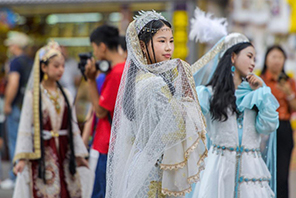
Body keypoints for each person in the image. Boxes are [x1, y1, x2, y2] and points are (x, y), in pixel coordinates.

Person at [105, 10, 207, 198]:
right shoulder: (154, 83)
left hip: (140, 164)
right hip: (154, 170)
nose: (169, 47)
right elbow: (176, 129)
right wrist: (187, 96)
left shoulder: (137, 80)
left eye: (171, 41)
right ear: (143, 46)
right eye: (162, 41)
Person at [188, 33, 279, 198]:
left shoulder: (256, 94)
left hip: (251, 170)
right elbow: (190, 125)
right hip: (219, 169)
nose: (253, 63)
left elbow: (268, 127)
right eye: (249, 56)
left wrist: (262, 94)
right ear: (233, 57)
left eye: (255, 59)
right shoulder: (208, 94)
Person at [12, 41, 91, 198]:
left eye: (62, 65)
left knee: (66, 188)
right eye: (56, 66)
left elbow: (73, 128)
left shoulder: (66, 94)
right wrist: (22, 158)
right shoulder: (33, 95)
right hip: (42, 150)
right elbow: (25, 127)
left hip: (64, 149)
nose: (61, 69)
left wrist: (79, 154)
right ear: (43, 67)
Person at [84, 25, 126, 198]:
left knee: (103, 192)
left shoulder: (117, 73)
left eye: (94, 48)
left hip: (110, 143)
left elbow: (101, 112)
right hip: (117, 141)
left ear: (102, 46)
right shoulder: (123, 68)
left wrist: (91, 80)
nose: (94, 54)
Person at [260, 45, 296, 198]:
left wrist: (289, 94)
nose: (276, 61)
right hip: (264, 129)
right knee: (263, 171)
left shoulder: (289, 82)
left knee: (282, 176)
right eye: (273, 57)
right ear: (266, 59)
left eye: (280, 57)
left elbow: (294, 108)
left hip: (283, 128)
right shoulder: (259, 81)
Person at [2, 31, 33, 189]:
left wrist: (7, 103)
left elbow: (13, 83)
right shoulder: (30, 61)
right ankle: (25, 175)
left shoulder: (15, 62)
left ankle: (15, 176)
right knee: (27, 140)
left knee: (15, 140)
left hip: (17, 106)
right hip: (27, 106)